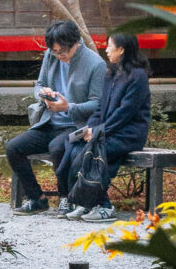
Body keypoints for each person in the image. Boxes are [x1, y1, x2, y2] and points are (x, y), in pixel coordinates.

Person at [7, 20, 107, 215]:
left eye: (63, 52)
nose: (59, 56)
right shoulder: (51, 56)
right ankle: (37, 199)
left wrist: (69, 107)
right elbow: (39, 84)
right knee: (14, 148)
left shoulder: (96, 64)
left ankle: (66, 198)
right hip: (49, 122)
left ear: (76, 42)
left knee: (58, 147)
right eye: (55, 51)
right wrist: (43, 94)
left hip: (77, 127)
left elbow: (98, 103)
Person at [63, 32, 151, 224]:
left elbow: (125, 112)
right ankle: (89, 202)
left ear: (121, 49)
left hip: (129, 133)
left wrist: (99, 131)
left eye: (109, 45)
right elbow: (101, 108)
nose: (106, 49)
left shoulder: (138, 76)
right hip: (109, 131)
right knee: (75, 147)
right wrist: (90, 128)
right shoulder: (111, 74)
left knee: (95, 151)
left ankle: (103, 206)